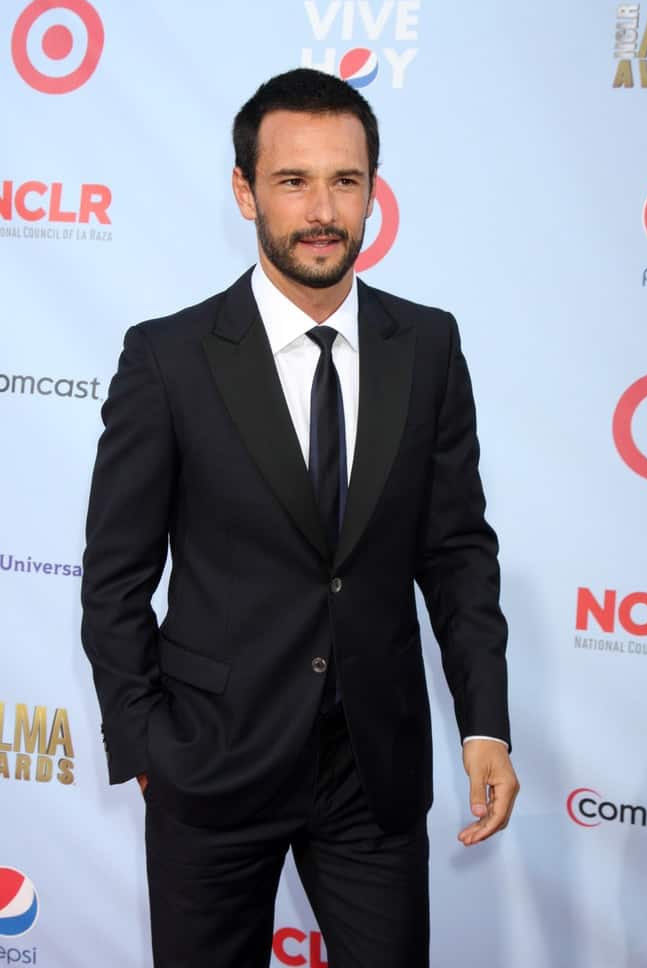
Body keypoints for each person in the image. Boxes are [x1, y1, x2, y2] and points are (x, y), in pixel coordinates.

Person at [81, 67, 519, 968]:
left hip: (373, 769)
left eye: (345, 180)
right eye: (292, 180)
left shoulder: (426, 346)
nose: (322, 208)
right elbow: (115, 577)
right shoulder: (169, 357)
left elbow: (457, 552)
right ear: (245, 190)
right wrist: (149, 744)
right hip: (211, 764)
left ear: (371, 190)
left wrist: (484, 724)